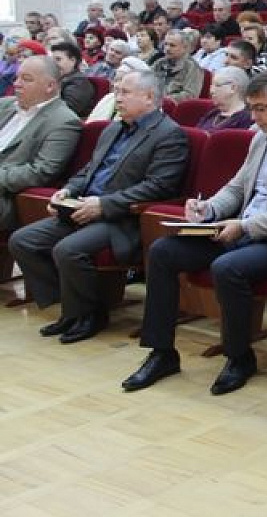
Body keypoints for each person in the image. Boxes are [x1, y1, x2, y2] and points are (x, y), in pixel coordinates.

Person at [123, 68, 267, 394]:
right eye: (252, 108)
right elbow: (236, 189)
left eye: (262, 108)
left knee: (227, 267)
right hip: (236, 229)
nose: (254, 116)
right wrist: (207, 208)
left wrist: (244, 226)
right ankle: (161, 352)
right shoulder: (260, 138)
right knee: (163, 252)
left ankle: (239, 357)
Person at [13, 71, 188, 344]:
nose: (117, 97)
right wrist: (68, 190)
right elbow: (89, 170)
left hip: (121, 218)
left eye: (125, 92)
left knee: (68, 249)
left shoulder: (169, 134)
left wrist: (103, 205)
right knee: (23, 240)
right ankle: (71, 308)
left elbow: (158, 187)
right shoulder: (114, 127)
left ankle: (90, 315)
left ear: (149, 97)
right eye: (116, 91)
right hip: (83, 207)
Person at [0, 56, 83, 230]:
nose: (17, 84)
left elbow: (41, 172)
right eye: (17, 78)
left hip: (7, 197)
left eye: (26, 79)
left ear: (50, 86)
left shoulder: (64, 121)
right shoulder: (4, 105)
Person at [47, 41, 95, 118]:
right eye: (52, 60)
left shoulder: (79, 83)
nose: (53, 64)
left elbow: (67, 110)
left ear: (73, 61)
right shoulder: (57, 78)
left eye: (58, 59)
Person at [196, 67, 254, 131]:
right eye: (211, 86)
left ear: (233, 88)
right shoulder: (213, 112)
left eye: (217, 85)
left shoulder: (246, 119)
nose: (211, 91)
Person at [154, 30, 205, 102]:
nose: (167, 48)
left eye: (172, 45)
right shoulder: (159, 63)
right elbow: (147, 82)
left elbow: (190, 95)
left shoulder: (192, 67)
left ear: (185, 48)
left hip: (174, 108)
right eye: (165, 44)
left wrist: (164, 99)